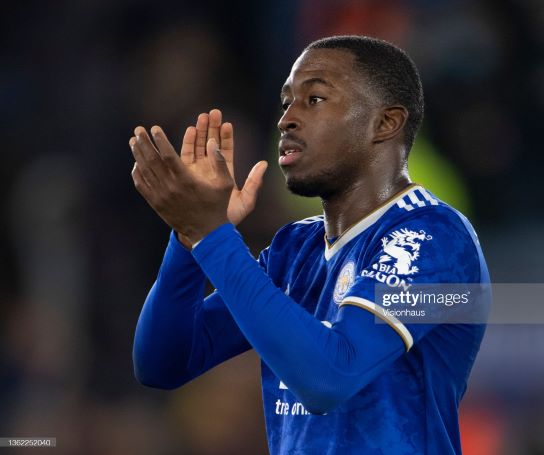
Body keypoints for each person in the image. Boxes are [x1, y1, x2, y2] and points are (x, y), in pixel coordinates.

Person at [130, 35, 490, 454]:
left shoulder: (436, 239)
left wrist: (212, 236)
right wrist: (189, 236)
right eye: (286, 102)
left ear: (385, 123)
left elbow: (330, 377)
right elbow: (163, 362)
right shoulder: (295, 250)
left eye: (314, 99)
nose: (286, 119)